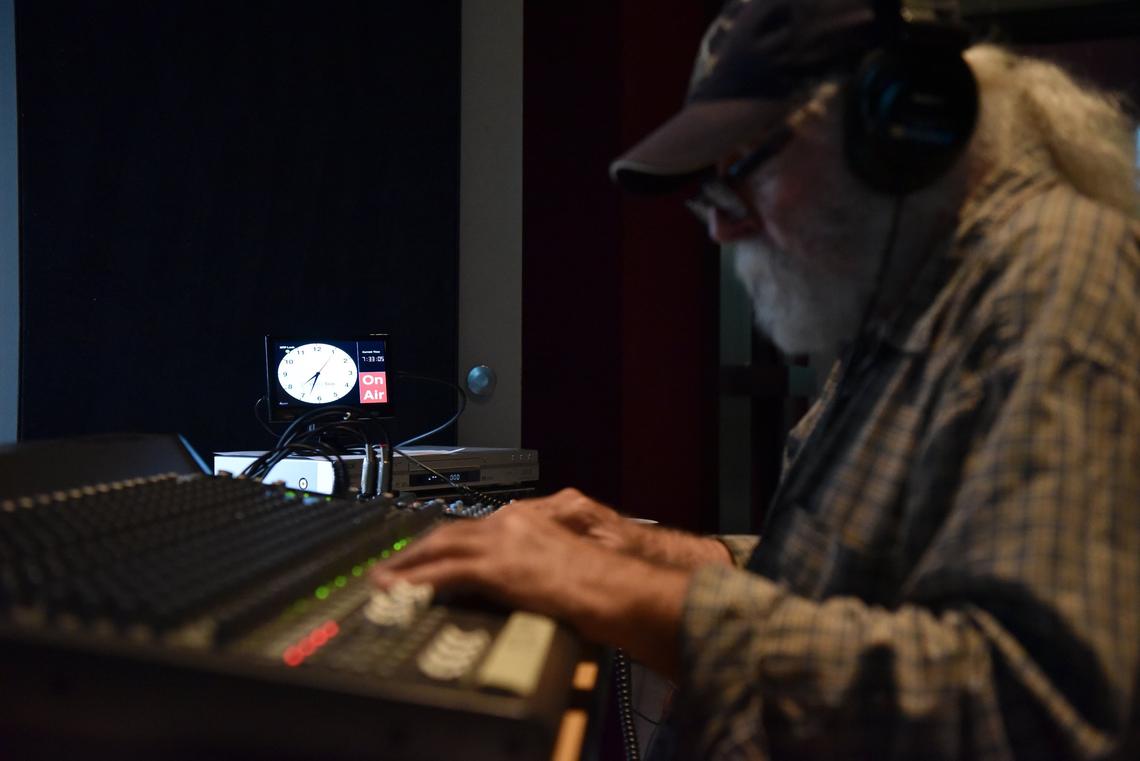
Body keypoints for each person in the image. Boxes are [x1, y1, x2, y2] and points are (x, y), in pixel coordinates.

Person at [374, 0, 1140, 757]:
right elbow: (834, 589)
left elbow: (1035, 706)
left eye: (741, 168)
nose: (720, 222)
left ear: (897, 125)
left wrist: (623, 596)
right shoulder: (908, 297)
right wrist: (633, 552)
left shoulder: (1055, 278)